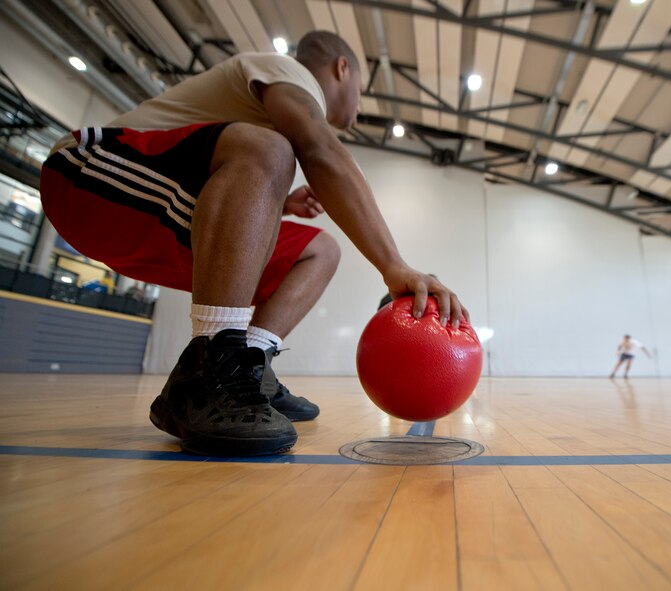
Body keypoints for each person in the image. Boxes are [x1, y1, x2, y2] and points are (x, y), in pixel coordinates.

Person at [39, 31, 465, 456]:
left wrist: (278, 204)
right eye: (361, 89)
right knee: (274, 148)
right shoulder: (287, 71)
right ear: (342, 68)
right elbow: (317, 149)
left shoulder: (264, 110)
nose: (359, 104)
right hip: (85, 175)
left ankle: (248, 366)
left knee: (320, 249)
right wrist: (393, 263)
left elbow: (216, 202)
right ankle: (209, 366)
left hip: (150, 215)